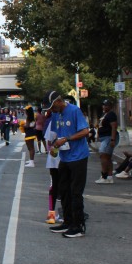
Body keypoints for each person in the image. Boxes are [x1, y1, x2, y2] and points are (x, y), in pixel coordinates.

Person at [45, 91, 91, 237]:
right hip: (64, 157)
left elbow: (85, 131)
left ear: (59, 101)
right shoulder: (56, 115)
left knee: (75, 192)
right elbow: (55, 135)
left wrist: (67, 139)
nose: (52, 110)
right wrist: (54, 147)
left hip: (78, 157)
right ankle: (67, 221)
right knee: (63, 190)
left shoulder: (74, 111)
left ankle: (78, 226)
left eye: (53, 107)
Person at [94, 99, 119, 184]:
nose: (104, 107)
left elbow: (114, 127)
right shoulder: (104, 114)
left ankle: (104, 176)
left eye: (106, 105)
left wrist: (112, 139)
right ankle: (109, 177)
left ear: (110, 106)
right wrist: (98, 135)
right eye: (103, 105)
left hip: (108, 137)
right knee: (107, 157)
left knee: (103, 155)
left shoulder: (111, 114)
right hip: (104, 138)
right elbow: (100, 126)